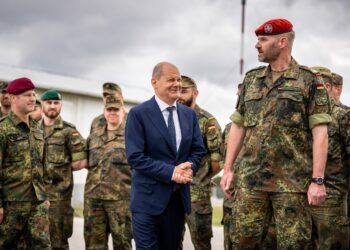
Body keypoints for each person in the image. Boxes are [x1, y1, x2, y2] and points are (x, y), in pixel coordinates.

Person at [220, 18, 332, 249]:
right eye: (257, 40)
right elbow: (239, 125)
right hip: (251, 181)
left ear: (282, 42)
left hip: (291, 184)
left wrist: (317, 180)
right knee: (242, 242)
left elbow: (320, 133)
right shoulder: (252, 79)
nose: (257, 45)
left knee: (294, 244)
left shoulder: (309, 81)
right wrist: (228, 169)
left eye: (263, 39)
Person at [125, 61, 206, 250]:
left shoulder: (189, 115)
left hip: (176, 202)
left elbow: (198, 149)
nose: (177, 84)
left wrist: (189, 168)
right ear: (154, 82)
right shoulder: (138, 114)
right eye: (171, 80)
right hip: (147, 202)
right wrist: (172, 172)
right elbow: (135, 157)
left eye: (178, 80)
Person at [0, 77, 51, 249]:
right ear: (13, 98)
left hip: (37, 203)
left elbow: (42, 165)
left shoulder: (37, 129)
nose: (33, 99)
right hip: (11, 205)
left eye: (34, 94)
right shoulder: (3, 129)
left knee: (42, 246)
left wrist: (46, 196)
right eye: (27, 95)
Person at [178, 75, 222, 250]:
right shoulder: (171, 117)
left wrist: (202, 178)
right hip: (171, 192)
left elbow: (217, 160)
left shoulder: (207, 122)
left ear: (195, 93)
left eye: (184, 91)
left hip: (197, 195)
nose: (179, 95)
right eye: (177, 90)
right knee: (171, 241)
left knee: (201, 243)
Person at [41, 89, 87, 249]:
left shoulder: (68, 130)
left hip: (58, 200)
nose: (52, 106)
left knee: (58, 243)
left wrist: (62, 169)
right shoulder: (32, 129)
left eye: (56, 103)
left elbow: (81, 161)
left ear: (60, 105)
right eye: (49, 102)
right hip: (33, 197)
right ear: (42, 105)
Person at [309, 66, 350, 249]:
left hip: (331, 198)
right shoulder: (303, 114)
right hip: (301, 196)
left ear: (326, 86)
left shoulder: (342, 116)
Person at [84, 95, 132, 249]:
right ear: (104, 112)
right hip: (94, 199)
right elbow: (86, 162)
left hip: (121, 200)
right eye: (109, 109)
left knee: (122, 244)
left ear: (122, 112)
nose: (112, 112)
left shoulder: (132, 137)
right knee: (93, 244)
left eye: (116, 109)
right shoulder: (94, 136)